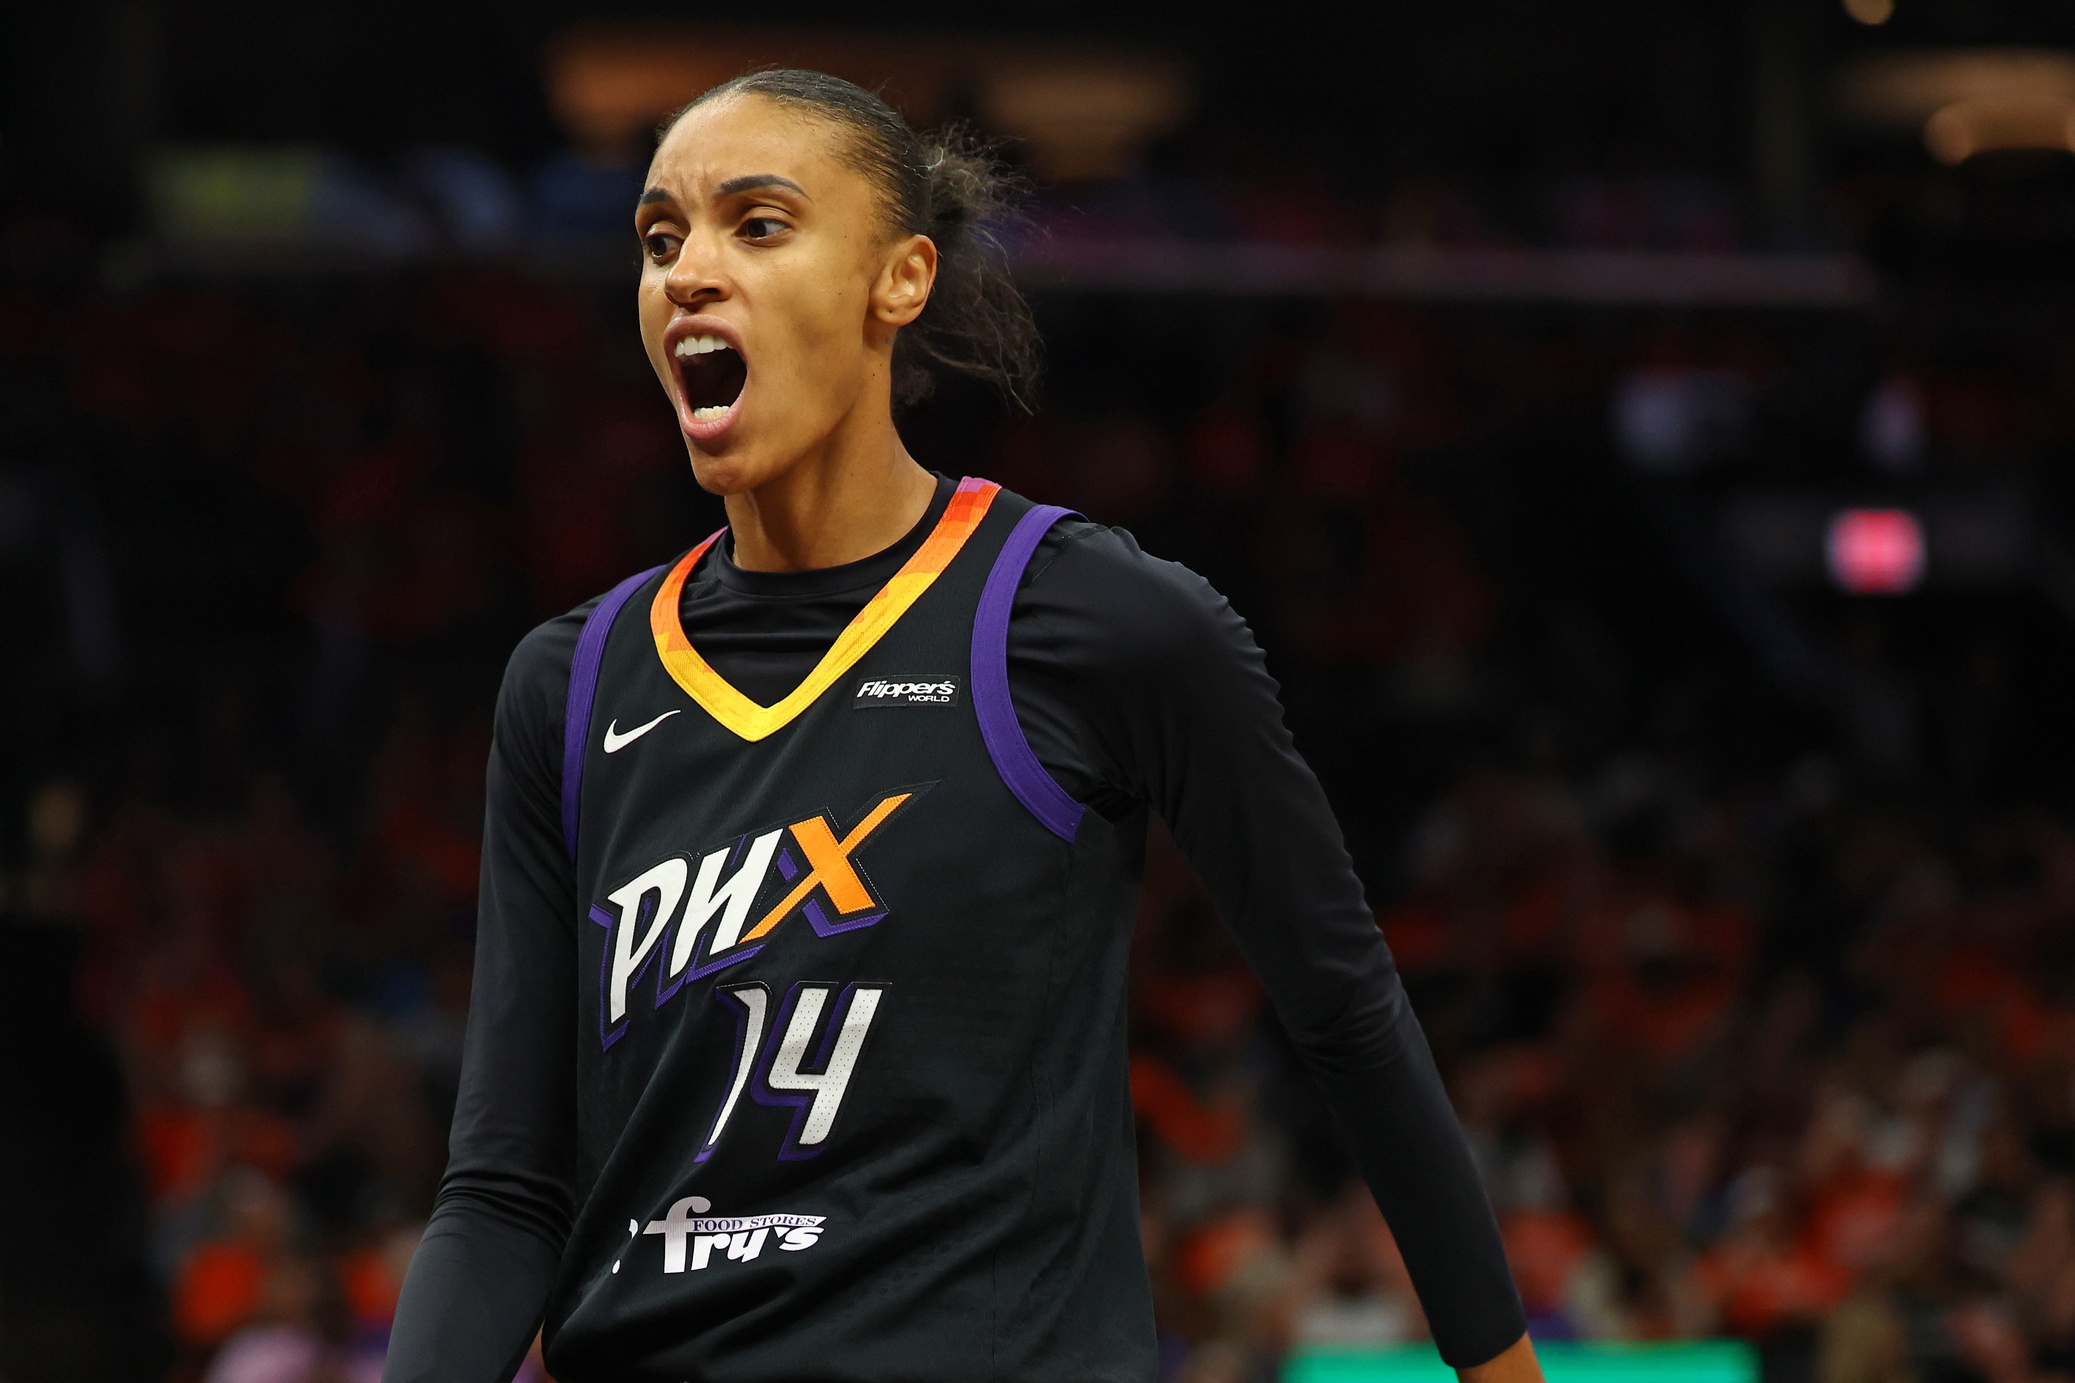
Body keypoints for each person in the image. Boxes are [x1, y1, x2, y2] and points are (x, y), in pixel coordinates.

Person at [384, 69, 1537, 1383]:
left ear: (901, 279)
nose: (688, 272)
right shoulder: (572, 682)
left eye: (757, 224)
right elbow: (505, 1192)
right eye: (659, 239)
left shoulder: (1097, 621)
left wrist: (1502, 1371)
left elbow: (1347, 1015)